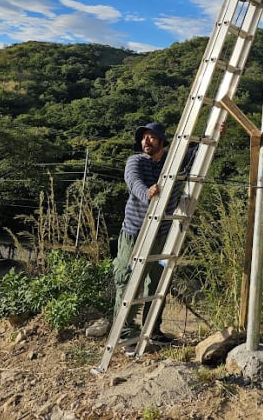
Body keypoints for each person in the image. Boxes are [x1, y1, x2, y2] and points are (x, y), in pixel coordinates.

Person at [87, 121, 193, 352]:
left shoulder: (171, 163)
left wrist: (218, 132)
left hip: (161, 234)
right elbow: (133, 181)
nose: (146, 141)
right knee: (127, 281)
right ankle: (124, 333)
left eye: (152, 137)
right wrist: (146, 192)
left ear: (162, 142)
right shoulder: (135, 161)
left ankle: (152, 330)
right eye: (144, 137)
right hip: (135, 233)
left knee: (157, 284)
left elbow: (195, 153)